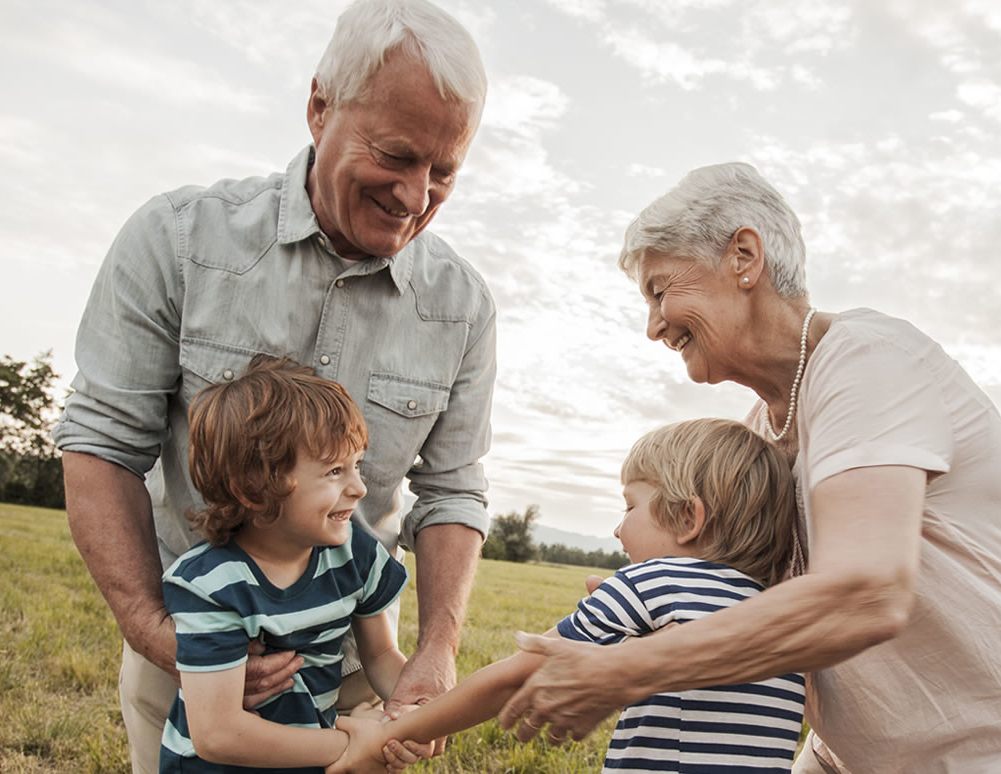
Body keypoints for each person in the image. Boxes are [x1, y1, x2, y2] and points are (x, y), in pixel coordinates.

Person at [497, 163, 1001, 773]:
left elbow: (866, 592)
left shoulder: (869, 361)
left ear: (744, 257)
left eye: (660, 290)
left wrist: (626, 671)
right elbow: (761, 607)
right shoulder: (760, 431)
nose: (653, 326)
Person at [50, 2, 495, 771]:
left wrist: (436, 653)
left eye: (444, 171)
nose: (416, 195)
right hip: (192, 651)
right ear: (321, 107)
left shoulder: (462, 306)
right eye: (395, 154)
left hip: (354, 661)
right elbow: (101, 444)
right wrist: (163, 631)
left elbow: (452, 493)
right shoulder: (179, 238)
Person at [341, 418, 806, 774]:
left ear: (688, 519)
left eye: (630, 505)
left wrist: (401, 730)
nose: (618, 528)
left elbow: (515, 676)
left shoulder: (652, 583)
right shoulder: (783, 620)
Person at [160, 356, 407, 772]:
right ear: (256, 490)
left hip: (309, 759)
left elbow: (381, 653)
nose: (359, 488)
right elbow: (218, 733)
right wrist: (349, 744)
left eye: (357, 465)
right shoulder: (211, 584)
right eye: (334, 471)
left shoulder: (353, 554)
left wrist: (408, 710)